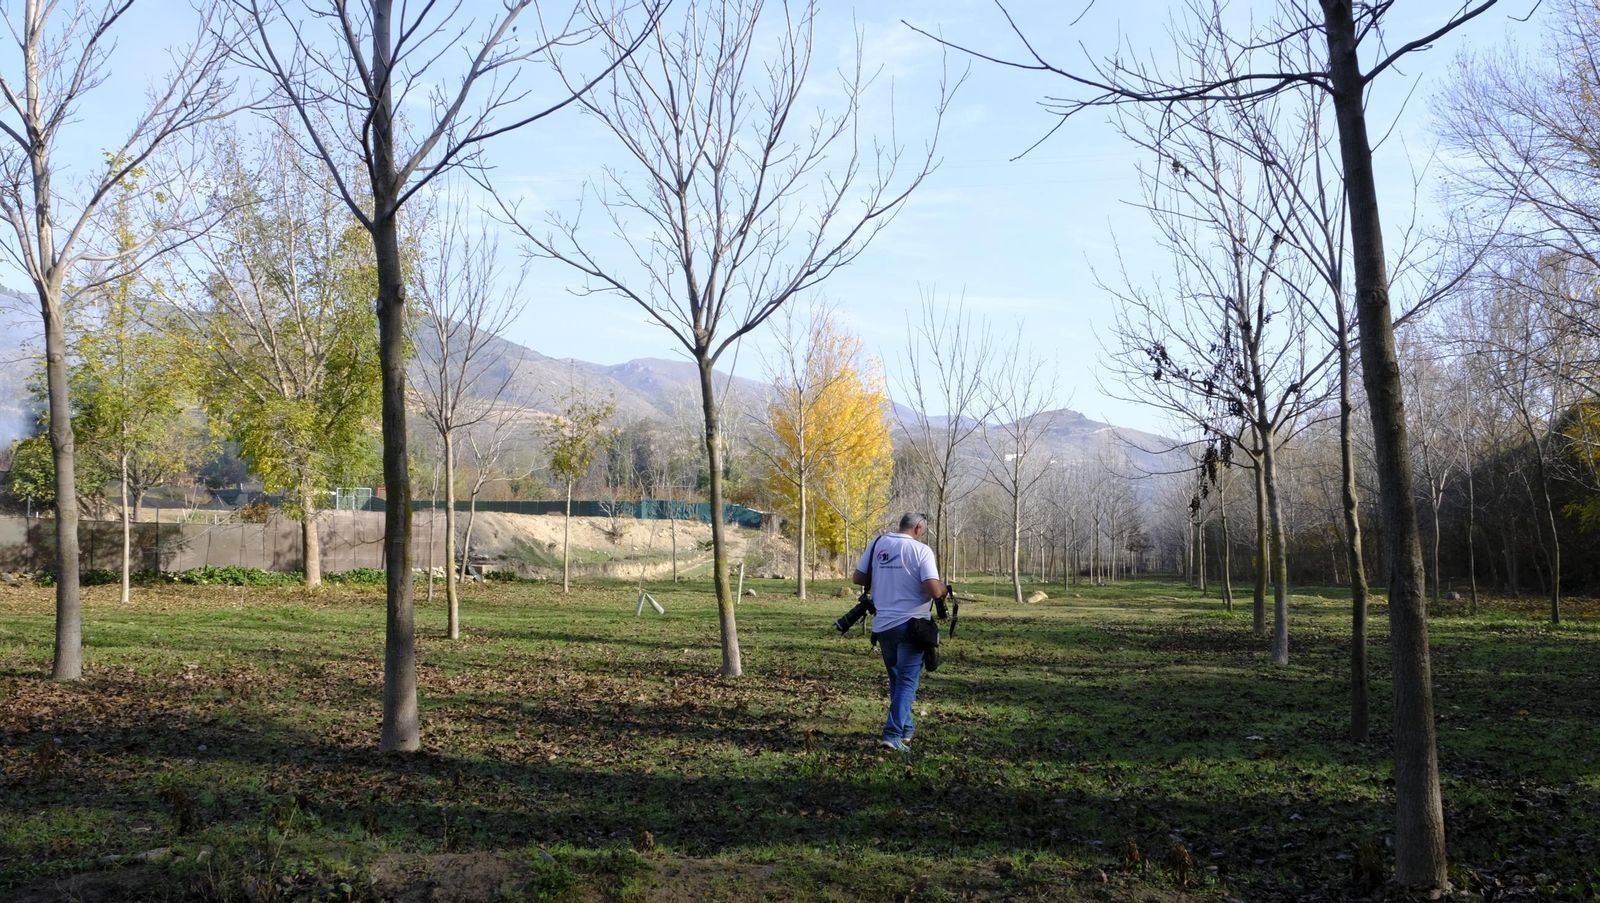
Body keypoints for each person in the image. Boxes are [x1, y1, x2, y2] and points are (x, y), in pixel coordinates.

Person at [852, 512, 946, 753]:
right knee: (906, 681)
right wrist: (944, 589)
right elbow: (934, 589)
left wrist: (887, 576)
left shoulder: (877, 543)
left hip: (883, 624)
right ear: (917, 528)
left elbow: (858, 577)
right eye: (922, 531)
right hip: (912, 625)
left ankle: (906, 729)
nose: (922, 535)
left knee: (897, 679)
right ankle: (892, 735)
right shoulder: (921, 550)